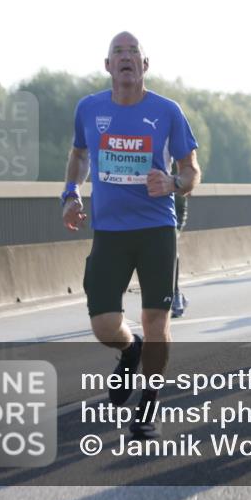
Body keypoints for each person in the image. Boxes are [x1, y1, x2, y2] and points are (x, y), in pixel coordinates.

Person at [62, 31, 200, 440]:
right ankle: (129, 349)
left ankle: (148, 406)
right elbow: (79, 155)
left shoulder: (167, 111)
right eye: (117, 53)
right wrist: (70, 194)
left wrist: (173, 182)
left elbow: (192, 171)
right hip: (109, 231)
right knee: (104, 325)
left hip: (157, 229)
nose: (125, 58)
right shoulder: (89, 109)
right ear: (107, 66)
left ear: (144, 64)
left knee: (156, 322)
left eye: (132, 52)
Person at [170, 167, 189, 318]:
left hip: (176, 208)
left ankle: (175, 293)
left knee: (171, 246)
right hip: (152, 209)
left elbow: (190, 175)